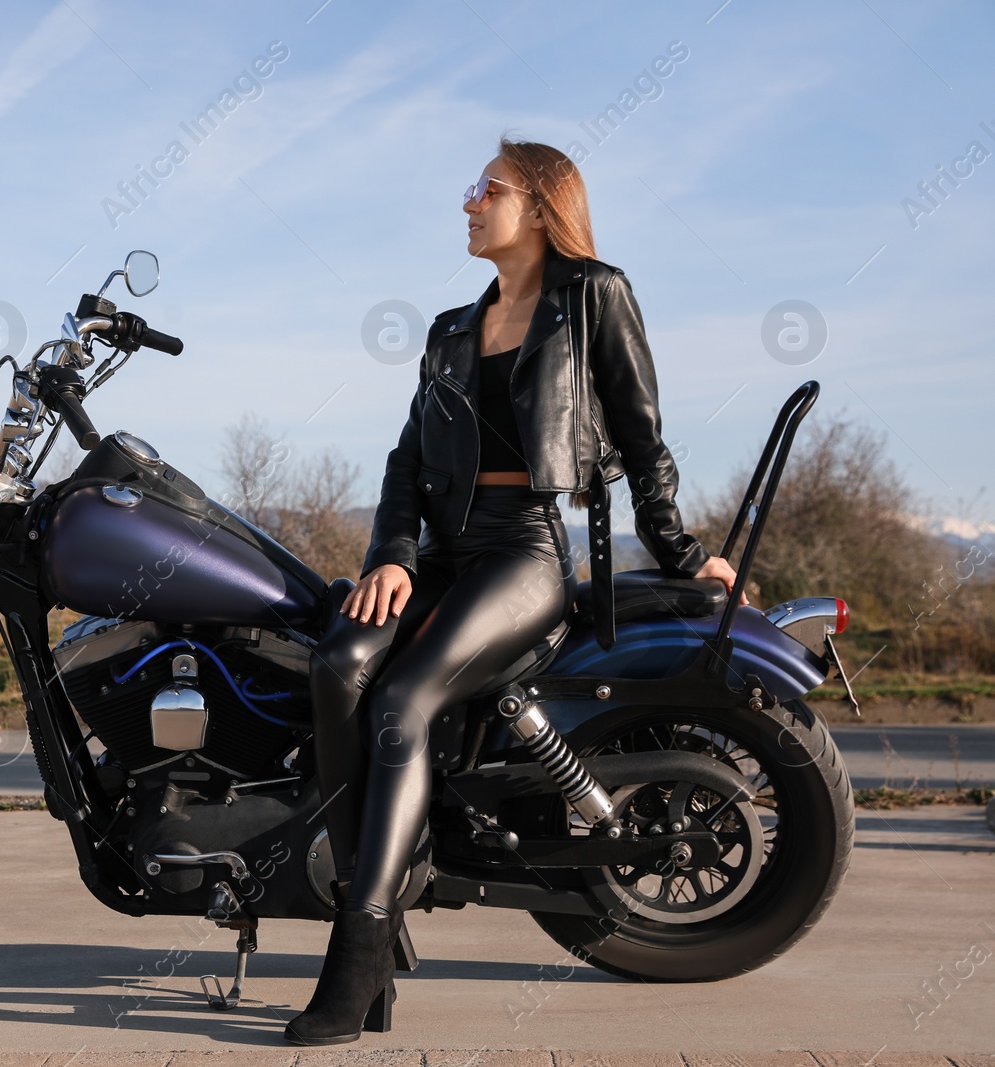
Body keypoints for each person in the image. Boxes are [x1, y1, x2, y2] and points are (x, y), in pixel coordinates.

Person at [283, 137, 745, 1046]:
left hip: (524, 551)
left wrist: (682, 552)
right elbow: (407, 458)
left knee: (406, 698)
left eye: (485, 189)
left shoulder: (593, 295)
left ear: (539, 207)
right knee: (336, 664)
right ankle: (374, 885)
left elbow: (643, 436)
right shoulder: (452, 328)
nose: (467, 203)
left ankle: (360, 946)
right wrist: (393, 553)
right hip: (442, 555)